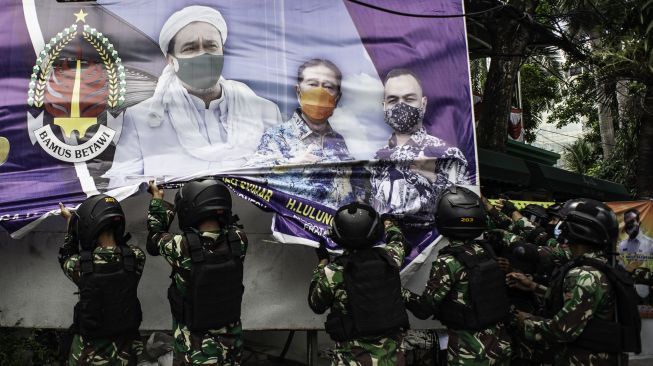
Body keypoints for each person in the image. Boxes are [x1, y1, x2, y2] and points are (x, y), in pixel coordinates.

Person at [105, 5, 282, 187]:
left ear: (222, 51)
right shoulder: (142, 118)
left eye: (210, 46)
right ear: (171, 60)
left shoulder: (264, 111)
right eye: (190, 48)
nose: (203, 54)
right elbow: (122, 188)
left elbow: (285, 177)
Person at [508, 198, 641, 365]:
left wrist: (522, 321)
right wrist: (535, 287)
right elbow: (581, 303)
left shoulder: (584, 274)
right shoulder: (602, 264)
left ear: (576, 230)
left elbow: (562, 330)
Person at [406, 186, 512, 365]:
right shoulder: (486, 251)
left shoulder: (449, 262)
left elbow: (424, 309)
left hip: (470, 352)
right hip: (500, 345)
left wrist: (399, 291)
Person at [146, 179, 248, 365]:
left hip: (193, 352)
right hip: (232, 350)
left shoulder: (180, 246)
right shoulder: (239, 240)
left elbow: (154, 238)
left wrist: (157, 199)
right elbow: (227, 228)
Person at [246, 59, 360, 208]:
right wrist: (292, 166)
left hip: (338, 228)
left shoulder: (338, 141)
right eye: (312, 84)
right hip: (293, 229)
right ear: (298, 91)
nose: (320, 92)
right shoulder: (277, 136)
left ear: (337, 98)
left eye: (328, 86)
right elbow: (249, 179)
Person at [308, 202, 411, 365]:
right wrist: (389, 224)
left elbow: (316, 304)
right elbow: (398, 241)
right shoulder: (391, 259)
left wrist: (322, 262)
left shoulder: (333, 272)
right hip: (392, 360)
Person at [370, 69, 469, 226]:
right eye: (393, 100)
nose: (400, 106)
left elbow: (463, 209)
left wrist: (433, 178)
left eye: (409, 99)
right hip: (385, 244)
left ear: (423, 104)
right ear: (384, 107)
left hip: (431, 245)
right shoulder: (376, 158)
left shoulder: (447, 154)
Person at [58, 196, 145, 365]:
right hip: (125, 352)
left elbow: (66, 257)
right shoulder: (135, 256)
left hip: (89, 354)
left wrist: (70, 224)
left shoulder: (79, 265)